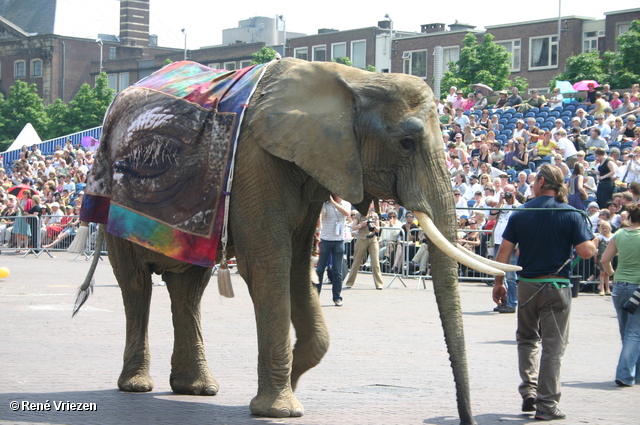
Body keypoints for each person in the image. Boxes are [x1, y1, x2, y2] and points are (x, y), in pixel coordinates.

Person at [492, 164, 596, 421]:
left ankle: (529, 390)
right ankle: (546, 405)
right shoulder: (572, 214)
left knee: (527, 339)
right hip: (557, 287)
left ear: (540, 182)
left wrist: (499, 283)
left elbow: (503, 253)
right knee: (553, 348)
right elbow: (585, 253)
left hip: (527, 285)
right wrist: (595, 242)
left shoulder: (520, 214)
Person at [601, 203, 640, 388]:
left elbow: (605, 260)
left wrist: (612, 274)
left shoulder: (620, 234)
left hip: (620, 287)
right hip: (637, 288)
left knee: (627, 333)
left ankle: (634, 371)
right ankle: (625, 374)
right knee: (634, 333)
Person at [316, 195, 350, 306]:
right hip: (326, 240)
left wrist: (334, 203)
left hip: (338, 241)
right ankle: (315, 297)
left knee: (337, 271)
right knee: (320, 269)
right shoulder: (325, 204)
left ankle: (337, 297)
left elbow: (347, 214)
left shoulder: (346, 203)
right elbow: (322, 218)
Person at [345, 209, 384, 289]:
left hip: (372, 239)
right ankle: (350, 282)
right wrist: (361, 225)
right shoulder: (358, 215)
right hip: (362, 239)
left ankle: (379, 284)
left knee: (375, 262)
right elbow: (353, 228)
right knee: (356, 261)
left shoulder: (374, 215)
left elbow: (378, 229)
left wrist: (373, 225)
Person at [592, 220, 613, 296]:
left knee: (607, 274)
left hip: (609, 258)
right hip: (601, 257)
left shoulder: (612, 237)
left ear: (609, 228)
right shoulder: (599, 237)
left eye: (606, 228)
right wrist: (595, 256)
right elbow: (596, 248)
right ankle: (602, 289)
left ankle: (608, 289)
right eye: (603, 228)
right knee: (602, 273)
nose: (605, 230)